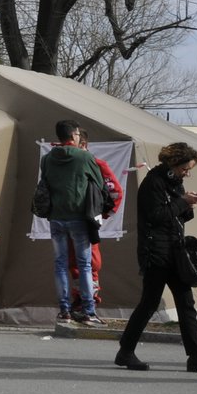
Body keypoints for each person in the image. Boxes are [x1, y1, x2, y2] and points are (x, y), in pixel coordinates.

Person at [112, 142, 197, 373]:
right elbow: (156, 216)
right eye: (186, 168)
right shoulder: (153, 182)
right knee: (149, 303)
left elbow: (177, 215)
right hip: (156, 252)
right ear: (174, 163)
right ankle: (125, 351)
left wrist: (188, 203)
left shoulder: (174, 182)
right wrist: (183, 201)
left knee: (186, 304)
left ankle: (196, 355)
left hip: (174, 250)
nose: (187, 173)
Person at [40, 119, 104, 325]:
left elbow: (46, 183)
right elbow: (99, 183)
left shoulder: (48, 159)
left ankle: (64, 311)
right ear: (74, 135)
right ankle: (88, 311)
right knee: (85, 265)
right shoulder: (84, 157)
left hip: (56, 218)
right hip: (78, 217)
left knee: (60, 265)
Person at [67, 131, 123, 305]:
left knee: (91, 262)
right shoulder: (66, 165)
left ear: (82, 145)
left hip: (88, 221)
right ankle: (78, 297)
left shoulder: (97, 164)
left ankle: (90, 299)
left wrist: (101, 215)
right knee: (72, 261)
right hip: (68, 220)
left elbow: (116, 192)